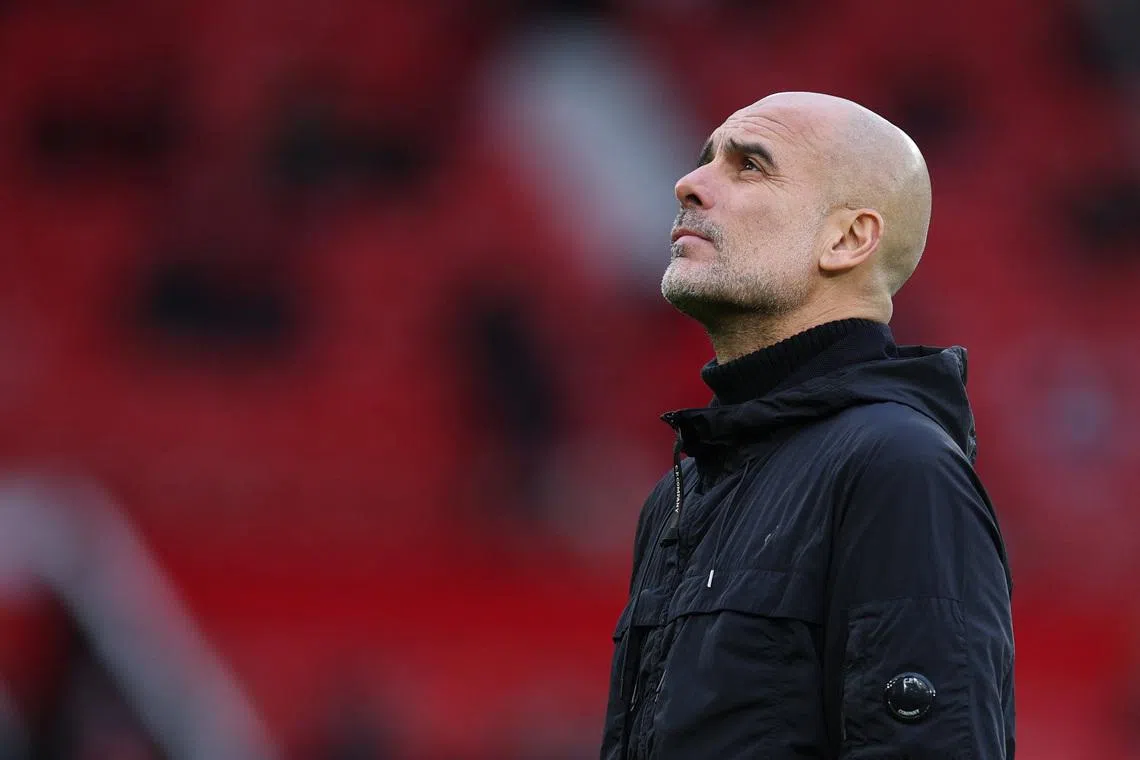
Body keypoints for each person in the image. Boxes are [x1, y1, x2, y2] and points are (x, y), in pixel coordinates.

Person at [600, 92, 1015, 759]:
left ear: (848, 239)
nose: (689, 183)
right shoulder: (680, 495)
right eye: (706, 159)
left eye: (749, 166)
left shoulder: (899, 469)